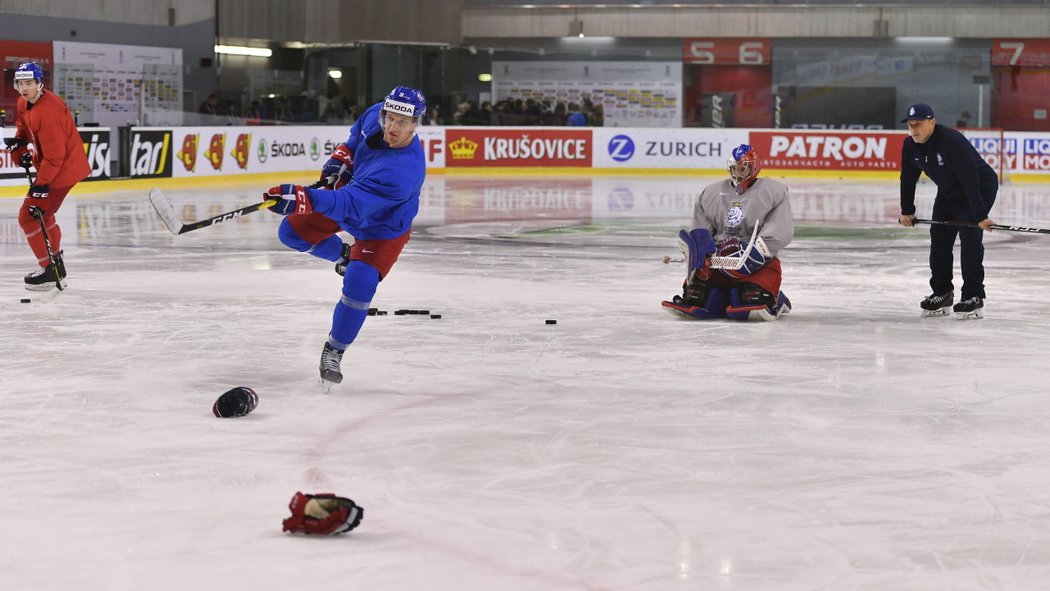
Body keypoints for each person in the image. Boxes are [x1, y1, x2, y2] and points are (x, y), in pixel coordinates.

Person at [264, 85, 427, 389]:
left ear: (416, 124)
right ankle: (343, 256)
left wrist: (305, 198)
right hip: (351, 197)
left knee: (360, 283)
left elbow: (349, 203)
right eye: (390, 118)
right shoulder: (373, 116)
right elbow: (354, 139)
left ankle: (334, 350)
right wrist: (339, 160)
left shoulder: (403, 172)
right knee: (292, 232)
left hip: (383, 227)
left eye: (402, 123)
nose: (392, 126)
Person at [662, 144, 793, 321]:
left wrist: (757, 252)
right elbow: (701, 231)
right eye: (734, 168)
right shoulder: (710, 192)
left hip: (756, 264)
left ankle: (776, 298)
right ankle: (720, 294)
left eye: (743, 168)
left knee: (750, 297)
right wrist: (701, 256)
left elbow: (780, 228)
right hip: (718, 261)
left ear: (754, 168)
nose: (738, 173)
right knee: (696, 295)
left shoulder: (775, 191)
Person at [897, 103, 998, 319]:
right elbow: (907, 178)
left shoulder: (952, 141)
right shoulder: (910, 146)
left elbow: (971, 180)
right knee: (940, 240)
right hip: (948, 192)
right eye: (911, 125)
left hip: (979, 187)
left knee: (970, 239)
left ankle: (973, 295)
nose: (914, 130)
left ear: (932, 123)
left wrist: (980, 216)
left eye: (919, 125)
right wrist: (907, 210)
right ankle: (942, 292)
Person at [5, 62, 91, 291]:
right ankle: (56, 265)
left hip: (62, 170)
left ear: (40, 83)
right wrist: (19, 145)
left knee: (28, 216)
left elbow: (55, 157)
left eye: (29, 83)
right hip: (54, 167)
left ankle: (48, 269)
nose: (24, 88)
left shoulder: (50, 110)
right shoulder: (24, 101)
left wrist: (41, 186)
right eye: (20, 83)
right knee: (44, 214)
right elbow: (23, 128)